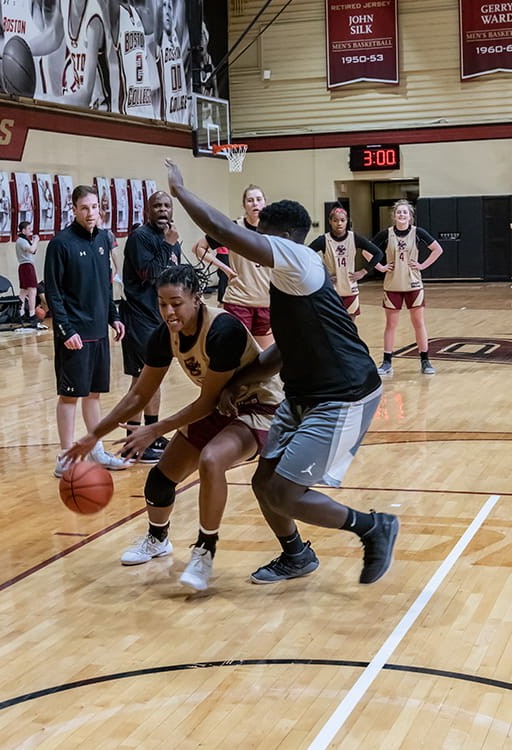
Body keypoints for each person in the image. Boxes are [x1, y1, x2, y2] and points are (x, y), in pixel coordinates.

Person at [165, 158, 399, 587]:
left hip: (344, 394)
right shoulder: (287, 279)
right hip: (304, 393)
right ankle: (296, 555)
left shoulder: (297, 260)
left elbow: (226, 231)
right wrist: (239, 382)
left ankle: (372, 527)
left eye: (261, 237)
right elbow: (284, 351)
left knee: (287, 492)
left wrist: (181, 193)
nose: (255, 244)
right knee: (266, 482)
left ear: (282, 236)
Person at [64, 264, 283, 592]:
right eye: (162, 303)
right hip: (219, 403)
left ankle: (204, 551)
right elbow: (140, 393)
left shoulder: (223, 330)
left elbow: (207, 402)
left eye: (176, 303)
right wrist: (94, 434)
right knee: (159, 480)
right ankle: (157, 539)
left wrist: (155, 429)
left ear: (196, 298)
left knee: (211, 460)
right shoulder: (163, 334)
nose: (168, 311)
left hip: (259, 405)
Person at [44, 185, 130, 478]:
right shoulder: (60, 244)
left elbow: (105, 286)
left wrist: (114, 317)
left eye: (95, 207)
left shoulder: (104, 240)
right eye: (85, 208)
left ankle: (96, 449)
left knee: (93, 395)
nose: (91, 213)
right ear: (74, 210)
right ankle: (66, 456)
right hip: (74, 334)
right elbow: (53, 293)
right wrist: (65, 330)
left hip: (98, 332)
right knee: (70, 396)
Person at [119, 190, 181, 463]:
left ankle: (149, 434)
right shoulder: (139, 238)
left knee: (151, 378)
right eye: (157, 206)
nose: (163, 210)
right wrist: (168, 247)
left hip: (159, 318)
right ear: (147, 210)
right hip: (138, 315)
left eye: (167, 205)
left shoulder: (171, 237)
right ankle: (134, 441)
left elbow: (173, 275)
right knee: (144, 379)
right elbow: (150, 274)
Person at [193, 185, 273, 349]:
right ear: (244, 205)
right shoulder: (233, 228)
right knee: (239, 354)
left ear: (265, 203)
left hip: (267, 303)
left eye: (258, 199)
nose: (255, 204)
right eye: (250, 200)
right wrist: (225, 269)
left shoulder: (274, 230)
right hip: (239, 301)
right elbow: (198, 249)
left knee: (264, 359)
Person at [372, 199, 444, 376]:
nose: (401, 215)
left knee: (418, 323)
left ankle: (425, 361)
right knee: (391, 324)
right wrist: (380, 267)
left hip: (414, 284)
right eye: (399, 212)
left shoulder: (417, 232)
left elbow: (437, 249)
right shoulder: (386, 234)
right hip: (392, 285)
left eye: (405, 212)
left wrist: (422, 265)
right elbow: (367, 251)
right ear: (394, 215)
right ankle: (387, 362)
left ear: (410, 216)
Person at [309, 205, 387, 321]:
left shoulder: (354, 238)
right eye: (335, 220)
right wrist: (322, 275)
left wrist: (363, 271)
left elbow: (378, 253)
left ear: (347, 222)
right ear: (330, 222)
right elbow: (305, 256)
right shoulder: (323, 240)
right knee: (334, 325)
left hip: (350, 289)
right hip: (332, 290)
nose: (339, 223)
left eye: (342, 220)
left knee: (350, 325)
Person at [15, 221, 40, 327]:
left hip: (25, 266)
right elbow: (32, 249)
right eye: (29, 229)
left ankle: (20, 312)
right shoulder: (21, 241)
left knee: (24, 291)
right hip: (26, 266)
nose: (30, 231)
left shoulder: (23, 240)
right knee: (32, 290)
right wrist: (36, 240)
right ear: (23, 230)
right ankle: (31, 314)